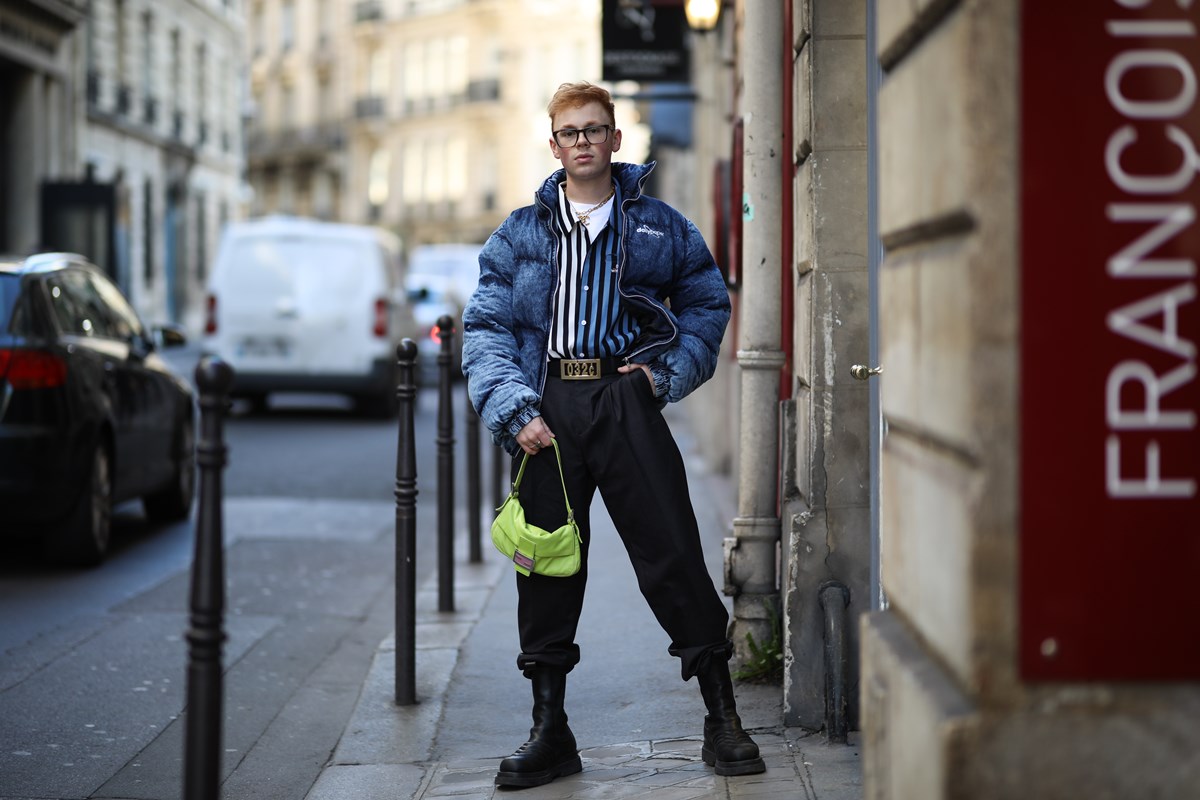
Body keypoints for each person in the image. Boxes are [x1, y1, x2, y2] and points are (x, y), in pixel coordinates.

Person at [462, 81, 764, 789]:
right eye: (570, 133)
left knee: (672, 551)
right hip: (547, 407)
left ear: (615, 140)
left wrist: (663, 379)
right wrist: (514, 409)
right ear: (555, 144)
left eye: (595, 130)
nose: (583, 143)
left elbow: (705, 302)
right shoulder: (520, 232)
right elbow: (486, 328)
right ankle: (549, 730)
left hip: (626, 398)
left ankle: (722, 718)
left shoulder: (658, 225)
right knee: (545, 564)